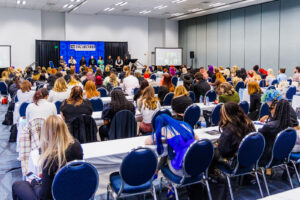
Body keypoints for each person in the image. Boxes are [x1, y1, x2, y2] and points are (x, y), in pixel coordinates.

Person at [12, 115, 83, 200]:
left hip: (56, 196)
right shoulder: (77, 145)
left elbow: (44, 196)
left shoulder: (50, 158)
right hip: (75, 192)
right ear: (64, 128)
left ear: (46, 134)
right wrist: (47, 177)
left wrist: (34, 183)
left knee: (17, 185)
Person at [259, 90, 299, 166]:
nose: (269, 108)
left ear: (274, 104)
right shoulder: (285, 107)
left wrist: (269, 123)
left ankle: (267, 166)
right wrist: (268, 117)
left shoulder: (274, 124)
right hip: (286, 146)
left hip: (274, 147)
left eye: (270, 107)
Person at [215, 102, 255, 167]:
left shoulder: (229, 129)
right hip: (249, 160)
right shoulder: (249, 123)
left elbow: (223, 151)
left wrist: (218, 144)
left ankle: (212, 174)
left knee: (210, 151)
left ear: (226, 115)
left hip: (233, 162)